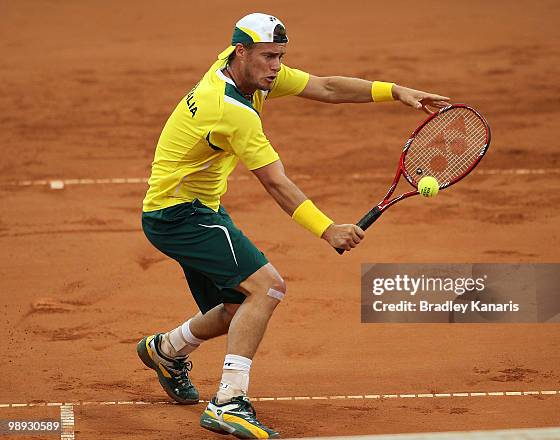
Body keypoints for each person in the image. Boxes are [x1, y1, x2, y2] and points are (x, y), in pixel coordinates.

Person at [137, 12, 449, 439]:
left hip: (193, 208)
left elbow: (326, 86)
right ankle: (228, 402)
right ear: (241, 51)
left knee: (237, 310)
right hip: (179, 214)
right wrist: (327, 229)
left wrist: (395, 91)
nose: (276, 66)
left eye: (281, 57)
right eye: (268, 56)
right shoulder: (230, 110)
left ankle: (166, 350)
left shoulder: (240, 72)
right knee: (268, 288)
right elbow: (275, 182)